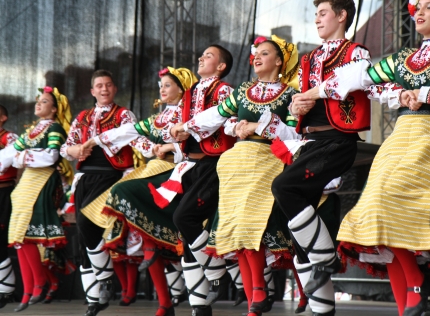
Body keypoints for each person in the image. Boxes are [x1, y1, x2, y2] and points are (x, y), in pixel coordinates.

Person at [331, 0, 430, 315]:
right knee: (376, 206)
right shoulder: (404, 59)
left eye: (429, 7)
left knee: (396, 200)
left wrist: (427, 94)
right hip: (401, 134)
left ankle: (417, 282)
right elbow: (363, 77)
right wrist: (398, 94)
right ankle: (409, 303)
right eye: (417, 7)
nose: (418, 12)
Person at [173, 35, 299, 316]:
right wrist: (190, 126)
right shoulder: (243, 91)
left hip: (267, 159)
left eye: (264, 53)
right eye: (256, 54)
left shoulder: (290, 95)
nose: (256, 57)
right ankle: (255, 291)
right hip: (234, 163)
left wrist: (259, 126)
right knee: (233, 227)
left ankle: (259, 291)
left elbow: (293, 134)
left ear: (279, 61)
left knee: (248, 224)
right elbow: (218, 115)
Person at [265, 0, 371, 316]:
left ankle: (328, 258)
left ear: (341, 16)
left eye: (323, 13)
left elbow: (356, 78)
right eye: (316, 14)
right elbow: (300, 102)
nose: (317, 19)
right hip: (310, 143)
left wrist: (310, 93)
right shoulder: (309, 60)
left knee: (284, 188)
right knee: (299, 238)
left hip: (337, 141)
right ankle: (323, 311)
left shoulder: (356, 52)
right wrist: (298, 104)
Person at [82, 66, 198, 316]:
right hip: (154, 171)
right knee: (146, 231)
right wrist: (97, 141)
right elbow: (132, 134)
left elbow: (197, 142)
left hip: (182, 172)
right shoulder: (159, 117)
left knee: (189, 234)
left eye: (167, 85)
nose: (162, 90)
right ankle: (165, 303)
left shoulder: (191, 114)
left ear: (181, 87)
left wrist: (170, 148)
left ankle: (200, 297)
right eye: (161, 86)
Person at [153, 44, 234, 316]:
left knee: (184, 218)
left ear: (221, 66)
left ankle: (217, 270)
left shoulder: (224, 91)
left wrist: (184, 130)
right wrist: (171, 140)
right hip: (190, 164)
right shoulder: (189, 95)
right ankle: (199, 306)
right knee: (185, 234)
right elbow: (171, 132)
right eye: (201, 55)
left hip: (214, 163)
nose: (201, 58)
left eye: (208, 56)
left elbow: (219, 121)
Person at [60, 70, 137, 316]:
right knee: (84, 235)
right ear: (92, 91)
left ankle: (105, 280)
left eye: (108, 85)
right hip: (85, 178)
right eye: (99, 86)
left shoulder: (124, 114)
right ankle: (95, 298)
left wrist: (93, 143)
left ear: (115, 89)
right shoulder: (82, 116)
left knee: (86, 223)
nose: (104, 89)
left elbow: (131, 133)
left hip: (111, 176)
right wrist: (75, 151)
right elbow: (65, 147)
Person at [0, 87, 72, 312]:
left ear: (54, 108)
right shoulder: (32, 131)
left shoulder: (56, 127)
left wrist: (21, 158)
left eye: (44, 101)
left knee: (24, 233)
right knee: (16, 235)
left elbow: (51, 155)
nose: (38, 104)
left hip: (43, 178)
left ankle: (39, 283)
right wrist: (16, 157)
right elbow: (8, 153)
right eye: (38, 101)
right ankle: (29, 289)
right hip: (27, 181)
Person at [0, 105, 17, 309]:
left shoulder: (9, 138)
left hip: (4, 192)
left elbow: (9, 160)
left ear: (3, 117)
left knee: (1, 240)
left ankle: (6, 289)